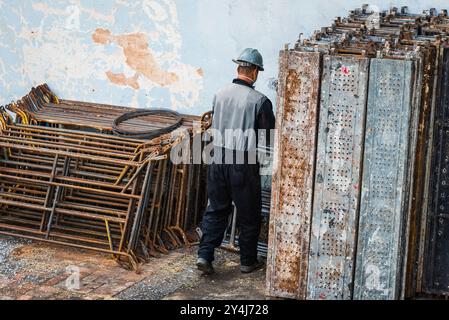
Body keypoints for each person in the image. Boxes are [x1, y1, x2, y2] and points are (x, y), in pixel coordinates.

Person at [197, 48, 275, 274]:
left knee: (216, 210)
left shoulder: (219, 94)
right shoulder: (260, 100)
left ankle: (204, 256)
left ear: (238, 68)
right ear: (255, 72)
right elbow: (268, 137)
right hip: (243, 163)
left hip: (217, 160)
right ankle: (247, 261)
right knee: (249, 214)